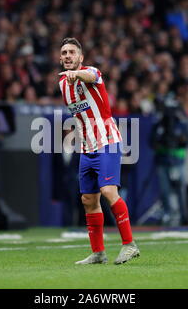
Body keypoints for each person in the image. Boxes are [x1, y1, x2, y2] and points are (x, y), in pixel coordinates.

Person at [57, 37, 139, 265]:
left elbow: (93, 77)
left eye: (72, 52)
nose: (67, 56)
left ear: (80, 58)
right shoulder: (63, 85)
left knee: (108, 191)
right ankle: (98, 252)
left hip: (107, 141)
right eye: (64, 53)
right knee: (88, 199)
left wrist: (78, 74)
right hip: (86, 147)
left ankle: (129, 245)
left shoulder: (91, 72)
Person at [150, 94, 188, 226]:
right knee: (165, 191)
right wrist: (161, 144)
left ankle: (184, 215)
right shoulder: (159, 125)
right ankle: (168, 215)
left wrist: (180, 141)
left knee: (180, 190)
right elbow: (151, 142)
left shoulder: (181, 124)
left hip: (177, 161)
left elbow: (187, 140)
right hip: (163, 161)